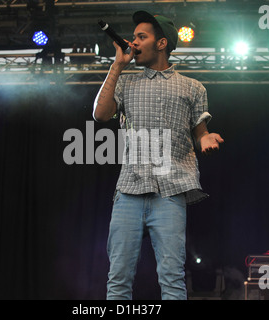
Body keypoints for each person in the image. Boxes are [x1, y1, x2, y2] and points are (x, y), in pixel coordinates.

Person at [93, 10, 224, 300]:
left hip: (170, 192)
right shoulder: (126, 83)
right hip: (129, 191)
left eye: (142, 36)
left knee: (172, 279)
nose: (134, 42)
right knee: (118, 280)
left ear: (161, 43)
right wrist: (118, 64)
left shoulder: (192, 87)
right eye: (134, 36)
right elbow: (100, 114)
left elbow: (200, 131)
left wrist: (205, 138)